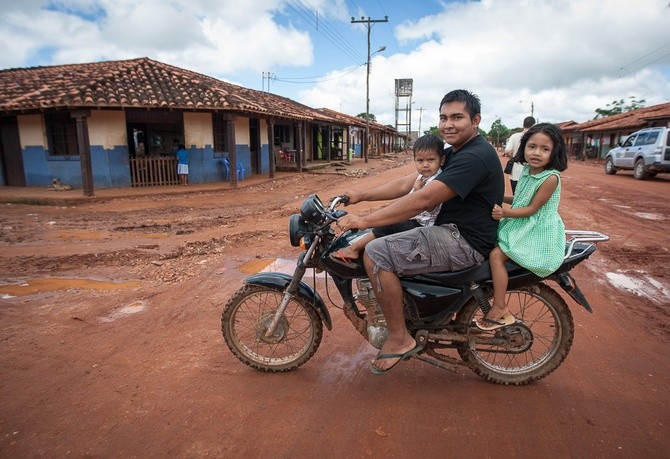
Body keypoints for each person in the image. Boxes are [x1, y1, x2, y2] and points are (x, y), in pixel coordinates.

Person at [336, 89, 504, 374]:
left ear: (475, 120)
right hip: (450, 231)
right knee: (388, 234)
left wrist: (363, 221)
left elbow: (423, 200)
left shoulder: (474, 156)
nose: (448, 124)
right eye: (443, 117)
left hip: (461, 240)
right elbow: (409, 182)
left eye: (457, 117)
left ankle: (400, 338)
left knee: (376, 253)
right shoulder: (453, 152)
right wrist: (360, 195)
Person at [477, 123, 568, 330]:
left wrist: (504, 212)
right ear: (524, 147)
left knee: (496, 256)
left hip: (536, 228)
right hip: (522, 221)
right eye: (532, 147)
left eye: (545, 149)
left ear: (555, 152)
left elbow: (531, 209)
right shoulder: (527, 169)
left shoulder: (550, 177)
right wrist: (495, 196)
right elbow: (519, 198)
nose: (537, 153)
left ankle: (500, 307)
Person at [329, 134, 446, 268]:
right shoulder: (422, 175)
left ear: (441, 160)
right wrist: (360, 196)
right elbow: (402, 185)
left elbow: (430, 206)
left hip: (421, 225)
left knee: (386, 225)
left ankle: (354, 249)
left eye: (431, 160)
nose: (425, 165)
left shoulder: (437, 179)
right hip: (414, 220)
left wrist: (418, 190)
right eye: (420, 161)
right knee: (383, 220)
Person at [504, 116, 536, 194]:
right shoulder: (535, 137)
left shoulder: (514, 136)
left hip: (515, 172)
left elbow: (507, 151)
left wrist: (514, 158)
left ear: (523, 125)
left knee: (515, 197)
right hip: (530, 172)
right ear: (534, 125)